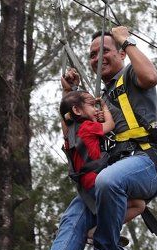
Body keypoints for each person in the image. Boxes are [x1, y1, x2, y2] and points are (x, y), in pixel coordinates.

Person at [0, 26, 157, 250]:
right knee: (75, 215)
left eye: (105, 51)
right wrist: (71, 94)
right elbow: (76, 137)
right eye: (92, 55)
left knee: (108, 181)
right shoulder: (98, 100)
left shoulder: (131, 76)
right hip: (114, 169)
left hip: (147, 162)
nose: (98, 59)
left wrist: (126, 40)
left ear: (121, 54)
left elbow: (151, 77)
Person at [58, 89, 146, 241]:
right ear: (77, 110)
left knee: (113, 207)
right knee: (139, 205)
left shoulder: (70, 136)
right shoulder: (88, 127)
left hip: (86, 185)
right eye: (92, 105)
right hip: (96, 181)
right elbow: (110, 125)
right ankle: (103, 230)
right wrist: (105, 108)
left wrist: (95, 118)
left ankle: (101, 229)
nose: (95, 109)